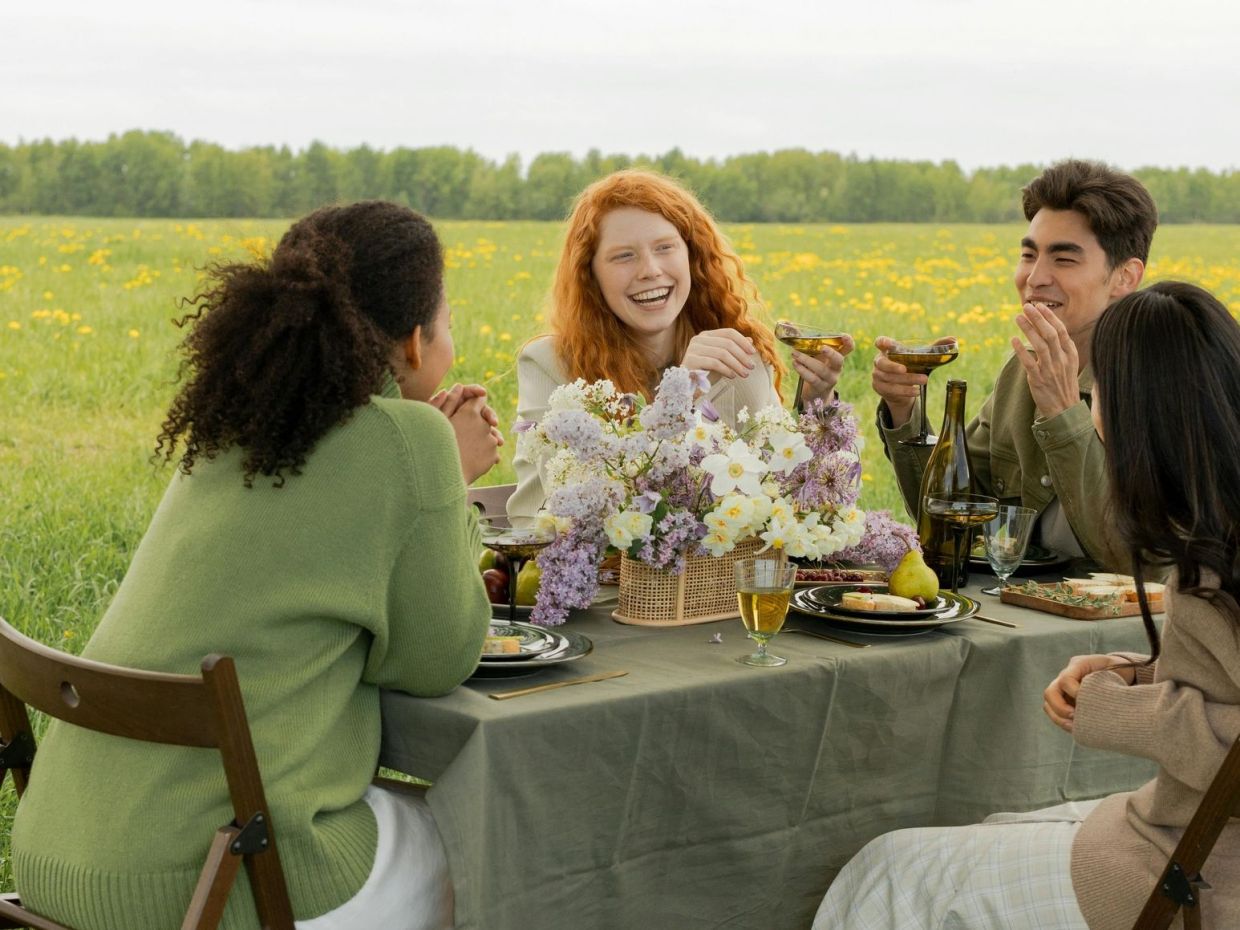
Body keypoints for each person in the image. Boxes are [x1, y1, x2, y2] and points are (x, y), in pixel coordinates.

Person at [11, 201, 499, 929]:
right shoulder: (411, 440)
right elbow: (438, 660)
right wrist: (451, 484)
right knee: (493, 835)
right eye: (448, 320)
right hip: (216, 882)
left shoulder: (236, 425)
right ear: (415, 340)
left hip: (59, 860)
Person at [814, 281, 1240, 929]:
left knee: (890, 869)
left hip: (1195, 873)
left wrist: (1118, 708)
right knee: (986, 827)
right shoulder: (1216, 529)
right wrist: (1136, 671)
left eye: (1101, 393)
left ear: (1140, 411)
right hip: (1173, 832)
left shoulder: (1212, 561)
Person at [507, 168, 854, 521]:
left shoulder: (736, 358)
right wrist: (680, 394)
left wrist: (817, 402)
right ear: (590, 274)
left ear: (691, 255)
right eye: (623, 256)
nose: (650, 270)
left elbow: (805, 503)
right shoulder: (549, 365)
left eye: (665, 248)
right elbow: (571, 513)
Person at [871, 159, 1157, 568]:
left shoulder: (1162, 381)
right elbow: (953, 518)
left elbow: (1141, 563)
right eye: (1028, 255)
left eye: (1064, 259)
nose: (1034, 278)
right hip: (1021, 599)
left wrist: (1064, 414)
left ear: (1125, 277)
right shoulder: (1021, 373)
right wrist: (904, 409)